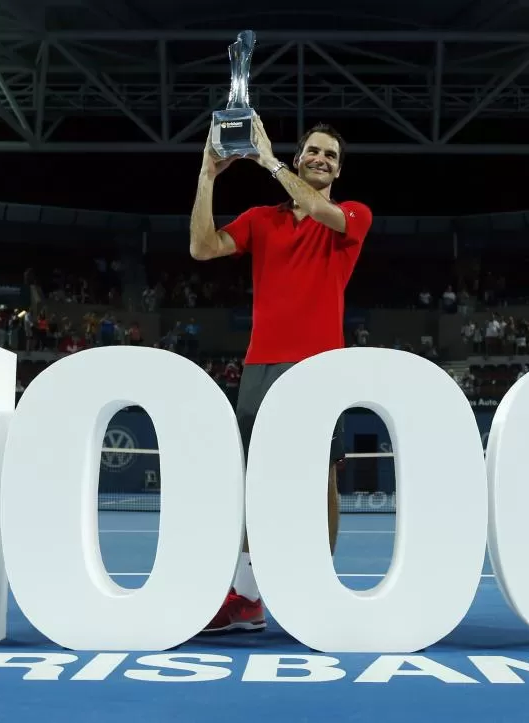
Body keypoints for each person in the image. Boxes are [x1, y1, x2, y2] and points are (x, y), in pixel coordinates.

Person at [189, 116, 373, 633]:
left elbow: (315, 207)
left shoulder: (352, 214)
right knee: (253, 480)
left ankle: (322, 588)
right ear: (301, 158)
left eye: (331, 155)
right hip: (259, 363)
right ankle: (247, 599)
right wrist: (208, 176)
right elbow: (201, 247)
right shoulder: (260, 219)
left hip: (318, 363)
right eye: (314, 151)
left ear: (338, 169)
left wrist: (266, 158)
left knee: (322, 478)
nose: (321, 159)